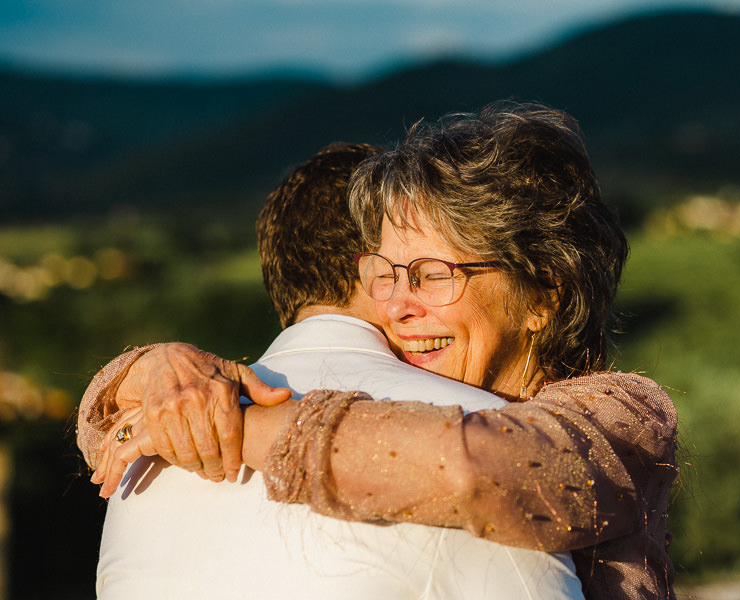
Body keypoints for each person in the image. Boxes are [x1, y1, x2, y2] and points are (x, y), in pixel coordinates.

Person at [85, 102, 679, 599]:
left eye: (432, 274)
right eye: (386, 274)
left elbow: (483, 468)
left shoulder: (623, 414)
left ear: (542, 295)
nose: (395, 306)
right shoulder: (418, 382)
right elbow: (105, 430)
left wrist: (234, 426)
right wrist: (150, 371)